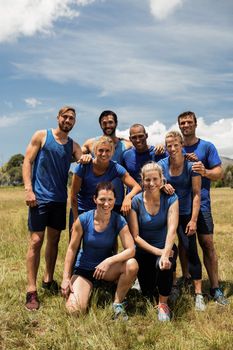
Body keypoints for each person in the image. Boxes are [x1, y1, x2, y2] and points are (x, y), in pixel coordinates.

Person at [23, 106, 82, 311]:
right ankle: (31, 291)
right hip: (39, 198)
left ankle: (48, 280)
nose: (67, 120)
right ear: (58, 117)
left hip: (59, 199)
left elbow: (85, 157)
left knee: (54, 240)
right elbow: (28, 161)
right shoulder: (42, 135)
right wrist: (28, 189)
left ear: (74, 122)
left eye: (71, 118)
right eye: (65, 117)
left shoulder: (73, 146)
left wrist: (85, 157)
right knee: (36, 241)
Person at [61, 182, 138, 319]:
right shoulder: (83, 219)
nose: (106, 204)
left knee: (132, 264)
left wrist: (109, 261)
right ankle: (91, 288)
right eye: (102, 199)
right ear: (95, 199)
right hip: (85, 269)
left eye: (110, 200)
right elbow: (72, 249)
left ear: (115, 200)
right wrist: (66, 278)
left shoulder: (118, 220)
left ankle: (117, 304)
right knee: (74, 311)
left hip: (106, 270)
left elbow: (131, 250)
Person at [178, 111, 228, 305]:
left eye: (189, 122)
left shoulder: (207, 147)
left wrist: (204, 171)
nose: (186, 125)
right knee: (183, 244)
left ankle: (215, 287)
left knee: (207, 244)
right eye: (182, 123)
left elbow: (218, 173)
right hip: (181, 206)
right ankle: (187, 278)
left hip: (203, 204)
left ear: (196, 124)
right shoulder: (175, 148)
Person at [158, 131, 205, 311]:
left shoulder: (191, 165)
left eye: (175, 145)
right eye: (168, 145)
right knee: (169, 250)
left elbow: (196, 194)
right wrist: (163, 184)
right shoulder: (162, 165)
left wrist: (193, 220)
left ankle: (198, 293)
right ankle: (173, 283)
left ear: (181, 146)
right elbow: (153, 181)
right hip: (169, 214)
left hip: (186, 214)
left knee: (191, 249)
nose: (172, 148)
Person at [128, 162, 179, 322]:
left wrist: (165, 254)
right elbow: (135, 236)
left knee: (164, 265)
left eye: (155, 179)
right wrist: (160, 253)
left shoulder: (171, 198)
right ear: (142, 181)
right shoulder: (135, 201)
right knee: (147, 291)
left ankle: (163, 304)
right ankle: (163, 282)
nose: (151, 183)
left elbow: (172, 229)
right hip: (144, 251)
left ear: (162, 179)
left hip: (166, 246)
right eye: (147, 180)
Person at [70, 136, 141, 223]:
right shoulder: (83, 166)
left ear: (112, 153)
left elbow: (137, 187)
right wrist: (75, 219)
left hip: (100, 212)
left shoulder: (115, 168)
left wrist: (128, 197)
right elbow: (73, 195)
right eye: (100, 150)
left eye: (107, 151)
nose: (104, 154)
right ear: (95, 151)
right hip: (81, 210)